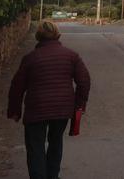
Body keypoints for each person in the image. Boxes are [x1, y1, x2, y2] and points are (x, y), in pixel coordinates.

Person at [7, 20, 91, 179]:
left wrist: (14, 110)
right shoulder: (71, 56)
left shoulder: (30, 58)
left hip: (36, 109)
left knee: (35, 146)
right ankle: (52, 176)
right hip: (62, 109)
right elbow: (84, 81)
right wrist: (79, 105)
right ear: (57, 34)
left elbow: (17, 86)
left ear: (38, 36)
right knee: (56, 141)